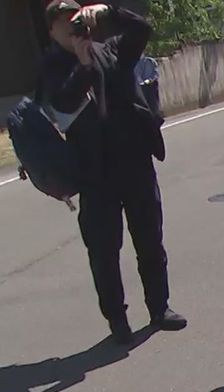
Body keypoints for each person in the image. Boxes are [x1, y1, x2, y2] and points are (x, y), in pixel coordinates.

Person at [40, 1, 186, 343]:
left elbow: (142, 30)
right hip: (95, 171)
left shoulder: (112, 50)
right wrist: (83, 63)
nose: (73, 29)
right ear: (51, 32)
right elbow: (62, 102)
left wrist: (109, 12)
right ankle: (117, 319)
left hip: (134, 160)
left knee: (150, 237)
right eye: (64, 25)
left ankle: (159, 306)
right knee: (105, 251)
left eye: (76, 21)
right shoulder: (53, 66)